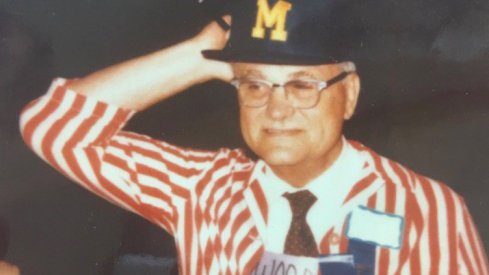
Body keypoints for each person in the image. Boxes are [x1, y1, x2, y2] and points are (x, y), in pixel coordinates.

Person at [20, 0, 488, 274]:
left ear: (348, 95)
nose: (277, 108)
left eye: (303, 85)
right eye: (255, 84)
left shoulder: (424, 207)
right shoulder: (201, 187)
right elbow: (55, 126)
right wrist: (198, 58)